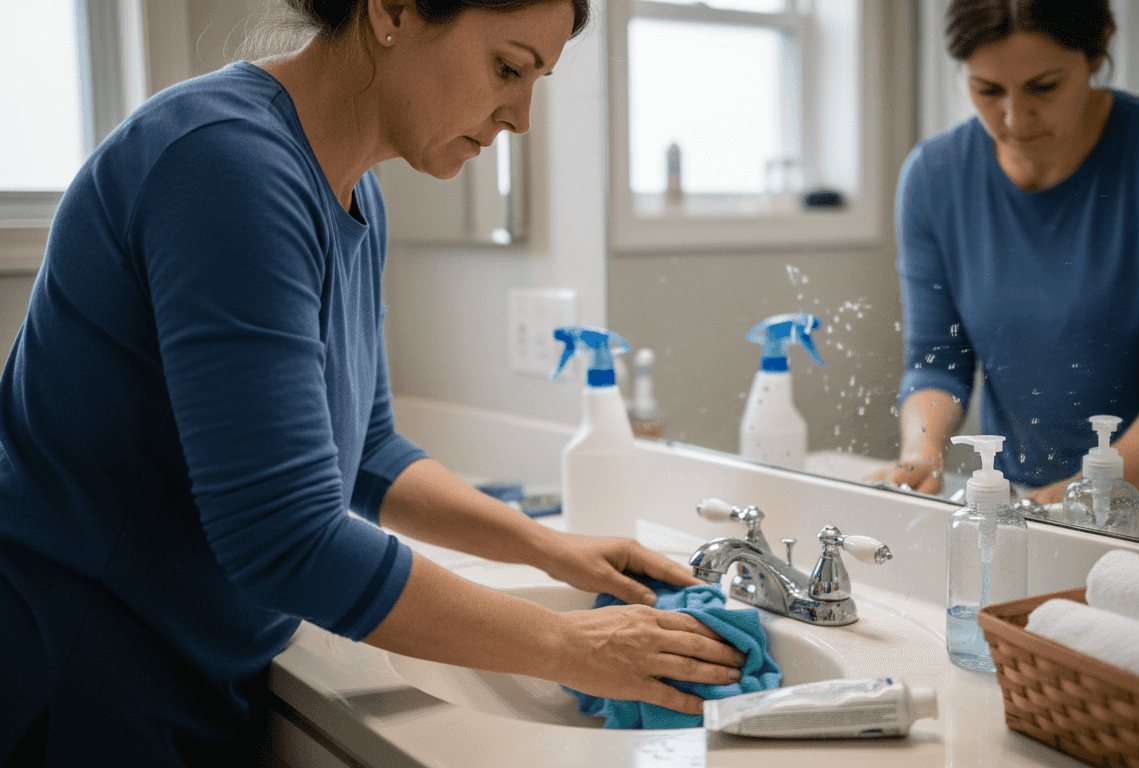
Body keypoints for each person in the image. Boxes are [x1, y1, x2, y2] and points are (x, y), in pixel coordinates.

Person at [0, 1, 744, 764]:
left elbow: (367, 450)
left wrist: (548, 549)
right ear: (391, 10)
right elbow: (282, 536)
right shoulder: (226, 164)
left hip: (188, 670)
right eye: (507, 68)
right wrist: (568, 643)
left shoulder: (353, 191)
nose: (521, 117)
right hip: (74, 675)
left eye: (536, 80)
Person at [870, 0, 1139, 522]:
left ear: (1096, 51)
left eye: (1044, 87)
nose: (1014, 118)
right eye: (987, 90)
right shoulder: (933, 177)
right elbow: (937, 362)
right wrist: (921, 454)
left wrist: (1087, 489)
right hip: (1032, 504)